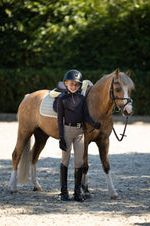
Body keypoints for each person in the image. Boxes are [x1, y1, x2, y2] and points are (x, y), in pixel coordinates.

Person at [57, 69, 101, 202]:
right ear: (66, 83)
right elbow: (59, 120)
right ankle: (64, 192)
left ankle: (77, 192)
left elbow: (86, 115)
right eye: (71, 84)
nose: (74, 86)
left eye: (76, 84)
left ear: (79, 86)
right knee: (65, 161)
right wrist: (61, 137)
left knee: (79, 162)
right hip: (67, 131)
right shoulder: (61, 99)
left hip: (80, 133)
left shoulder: (82, 99)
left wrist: (94, 123)